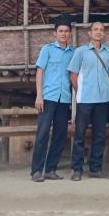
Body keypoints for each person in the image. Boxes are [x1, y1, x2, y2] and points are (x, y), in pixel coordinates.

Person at [68, 21, 109, 181]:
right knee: (80, 134)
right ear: (89, 33)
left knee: (100, 135)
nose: (98, 32)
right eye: (95, 29)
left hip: (103, 99)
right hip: (85, 99)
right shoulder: (80, 52)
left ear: (104, 34)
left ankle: (96, 169)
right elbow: (73, 74)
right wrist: (80, 91)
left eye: (101, 30)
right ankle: (77, 169)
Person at [30, 21, 75, 182]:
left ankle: (50, 169)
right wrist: (39, 95)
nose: (64, 33)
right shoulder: (47, 50)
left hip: (64, 99)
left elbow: (74, 76)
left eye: (66, 31)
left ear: (70, 34)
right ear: (55, 33)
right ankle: (36, 171)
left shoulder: (73, 53)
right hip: (47, 98)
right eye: (61, 31)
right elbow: (40, 71)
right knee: (42, 133)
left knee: (60, 134)